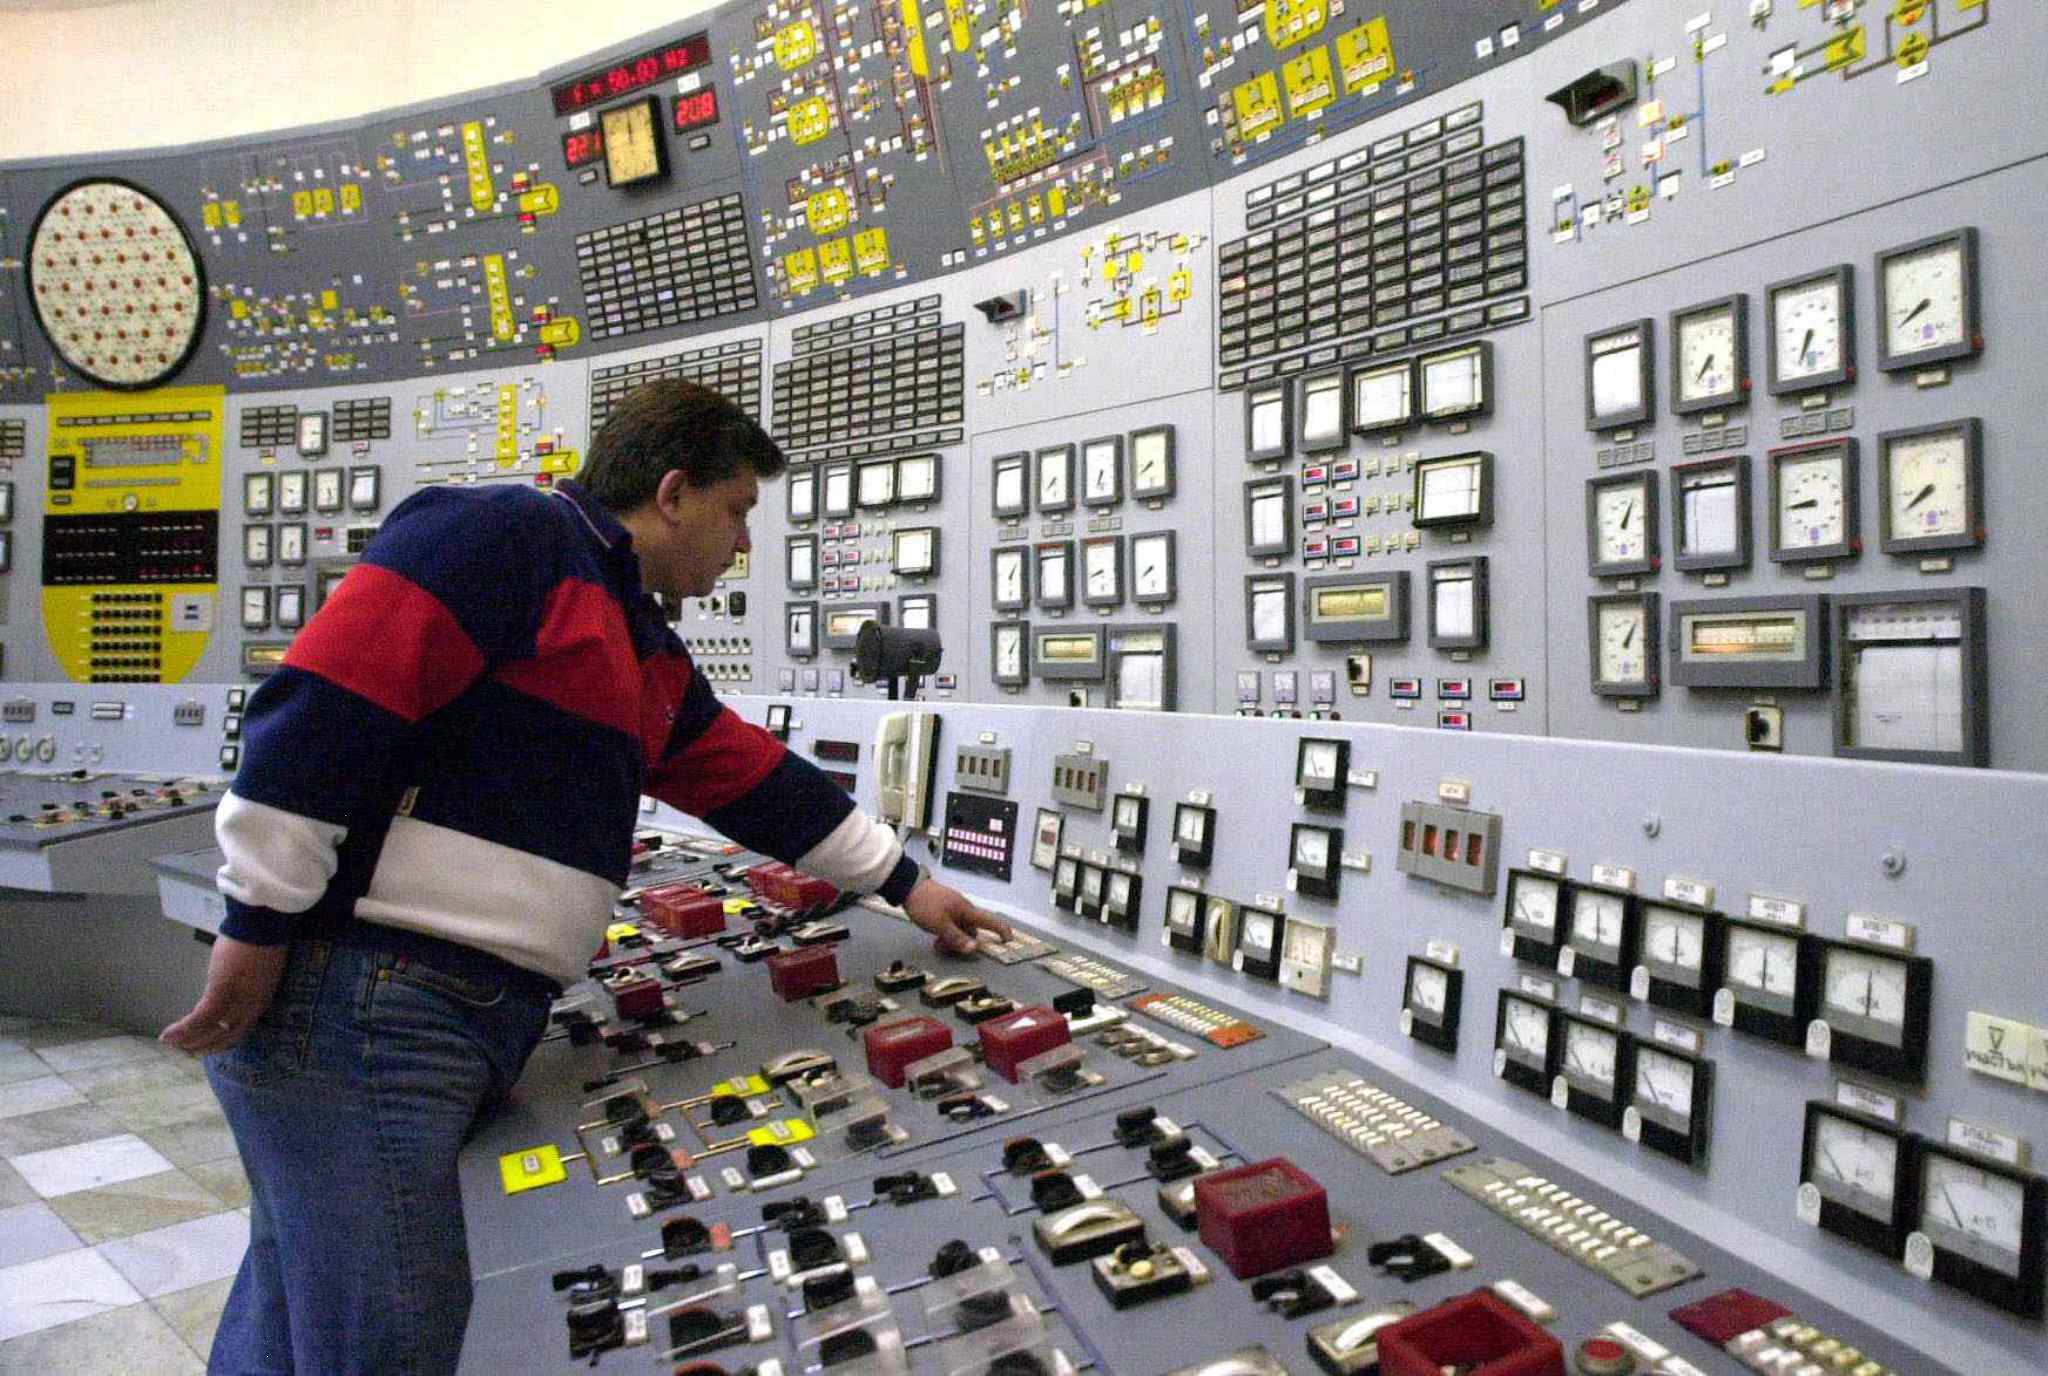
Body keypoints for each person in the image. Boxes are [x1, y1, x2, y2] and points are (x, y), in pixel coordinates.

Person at [162, 379, 1011, 1375]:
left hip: (429, 1013)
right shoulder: (503, 536)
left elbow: (745, 775)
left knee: (297, 1296)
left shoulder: (636, 640)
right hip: (367, 1006)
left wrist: (907, 884)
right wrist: (258, 921)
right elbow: (322, 706)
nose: (742, 543)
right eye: (737, 511)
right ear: (673, 493)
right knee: (389, 1336)